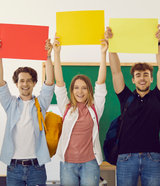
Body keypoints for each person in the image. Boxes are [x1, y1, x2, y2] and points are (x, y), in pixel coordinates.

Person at [105, 25, 160, 186]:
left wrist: (158, 44)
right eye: (138, 75)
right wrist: (112, 46)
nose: (142, 78)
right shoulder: (126, 97)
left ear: (151, 79)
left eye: (146, 75)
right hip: (126, 158)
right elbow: (116, 71)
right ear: (133, 79)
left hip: (152, 158)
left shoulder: (158, 96)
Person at [0, 38, 55, 185]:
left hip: (37, 168)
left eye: (29, 80)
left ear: (34, 83)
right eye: (21, 80)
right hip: (14, 168)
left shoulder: (41, 103)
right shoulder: (10, 104)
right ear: (16, 83)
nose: (25, 84)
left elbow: (50, 82)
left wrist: (48, 56)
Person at [52, 36, 108, 186]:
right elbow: (59, 82)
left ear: (89, 90)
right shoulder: (66, 107)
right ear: (72, 91)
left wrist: (103, 54)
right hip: (67, 164)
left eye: (84, 88)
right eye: (76, 88)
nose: (80, 91)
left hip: (90, 163)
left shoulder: (95, 108)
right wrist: (56, 54)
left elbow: (101, 82)